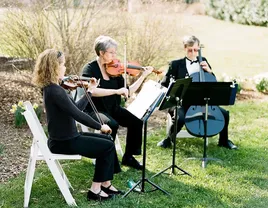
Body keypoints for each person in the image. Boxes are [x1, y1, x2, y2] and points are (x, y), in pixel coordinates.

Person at [32, 49, 123, 202]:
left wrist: (90, 91)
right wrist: (100, 126)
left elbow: (77, 108)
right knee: (106, 146)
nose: (65, 68)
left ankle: (106, 183)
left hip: (65, 138)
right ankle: (95, 190)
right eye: (63, 65)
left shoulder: (53, 89)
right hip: (64, 142)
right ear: (54, 67)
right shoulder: (55, 91)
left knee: (108, 141)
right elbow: (79, 115)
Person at [81, 35, 154, 170]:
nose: (115, 56)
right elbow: (93, 91)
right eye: (111, 52)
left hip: (112, 107)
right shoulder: (90, 69)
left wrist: (143, 76)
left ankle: (129, 157)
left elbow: (128, 91)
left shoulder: (114, 69)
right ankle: (109, 160)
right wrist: (115, 91)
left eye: (115, 52)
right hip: (95, 109)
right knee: (112, 124)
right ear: (101, 53)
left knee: (137, 122)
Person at [157, 35, 237, 150]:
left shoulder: (203, 60)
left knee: (224, 114)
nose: (193, 53)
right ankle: (168, 139)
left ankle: (224, 141)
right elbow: (165, 84)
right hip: (182, 102)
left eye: (196, 50)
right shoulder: (175, 64)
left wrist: (209, 71)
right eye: (190, 50)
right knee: (180, 118)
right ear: (185, 48)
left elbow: (211, 81)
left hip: (202, 101)